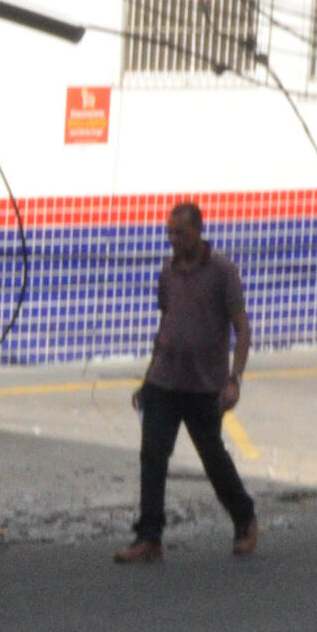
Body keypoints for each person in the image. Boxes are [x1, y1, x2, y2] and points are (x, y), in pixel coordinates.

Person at [116, 200, 258, 564]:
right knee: (153, 455)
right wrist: (148, 380)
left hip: (204, 384)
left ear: (198, 231)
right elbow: (166, 326)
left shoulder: (222, 271)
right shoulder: (168, 271)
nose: (173, 240)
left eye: (180, 233)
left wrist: (234, 380)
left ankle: (244, 517)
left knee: (212, 457)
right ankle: (149, 538)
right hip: (166, 381)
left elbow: (242, 329)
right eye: (169, 233)